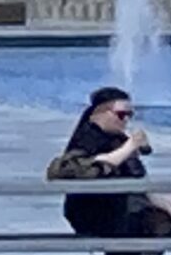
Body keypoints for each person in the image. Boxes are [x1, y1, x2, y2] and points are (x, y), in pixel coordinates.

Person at [56, 87, 152, 237]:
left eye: (129, 115)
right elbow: (85, 167)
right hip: (93, 213)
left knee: (164, 221)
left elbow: (137, 181)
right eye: (121, 115)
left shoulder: (118, 139)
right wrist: (130, 147)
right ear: (100, 113)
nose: (126, 120)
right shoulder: (87, 138)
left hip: (123, 209)